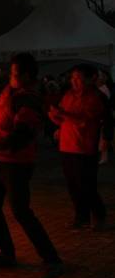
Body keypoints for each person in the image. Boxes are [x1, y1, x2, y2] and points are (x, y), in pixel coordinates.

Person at [0, 53, 63, 278]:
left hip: (16, 163)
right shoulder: (11, 92)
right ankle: (5, 253)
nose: (11, 77)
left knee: (21, 211)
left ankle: (52, 259)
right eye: (11, 72)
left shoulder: (27, 99)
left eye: (15, 74)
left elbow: (23, 134)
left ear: (27, 76)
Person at [49, 64, 110, 230]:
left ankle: (99, 216)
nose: (74, 81)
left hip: (84, 147)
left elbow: (83, 121)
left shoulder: (95, 97)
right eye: (72, 78)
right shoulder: (69, 95)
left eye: (78, 78)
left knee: (87, 185)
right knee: (73, 185)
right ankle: (81, 217)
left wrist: (63, 115)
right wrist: (55, 118)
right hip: (67, 146)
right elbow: (64, 119)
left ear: (91, 79)